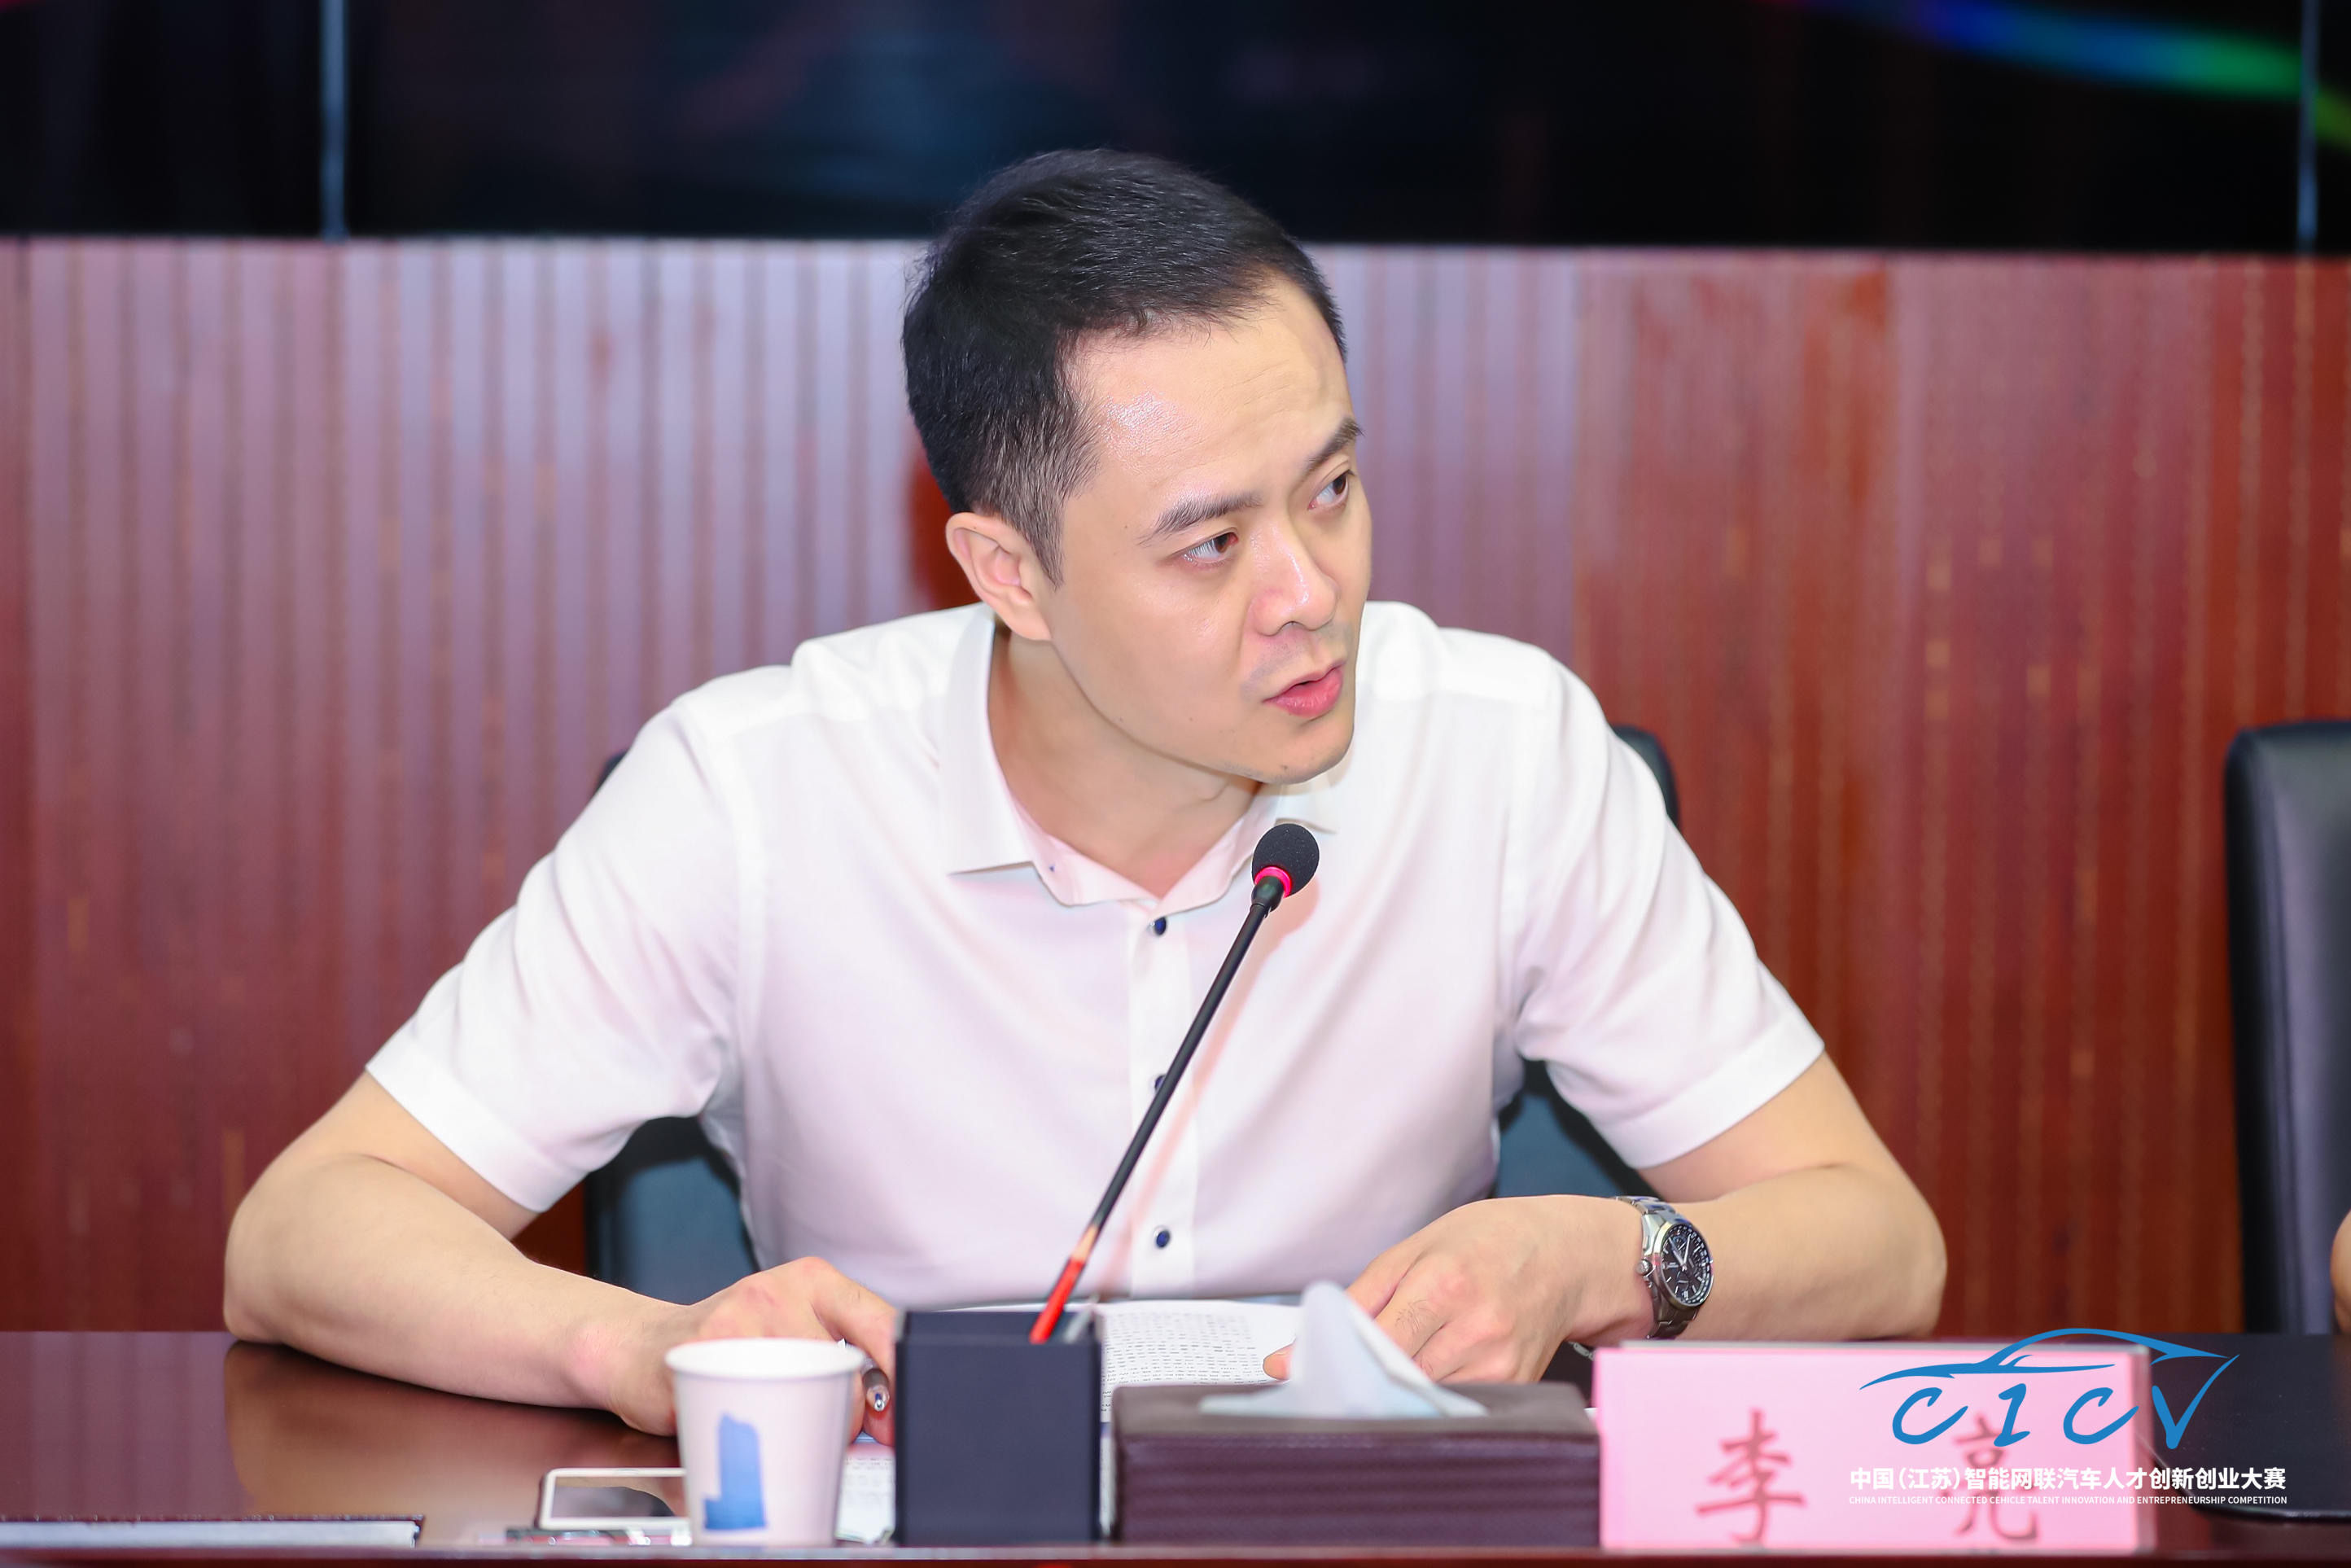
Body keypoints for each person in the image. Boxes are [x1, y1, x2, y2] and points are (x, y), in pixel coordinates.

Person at [224, 151, 1946, 1438]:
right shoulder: (757, 791)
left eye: (1331, 489)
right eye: (1210, 542)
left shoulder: (1503, 754)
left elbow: (1882, 1245)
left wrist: (1611, 1258)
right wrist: (636, 1344)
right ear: (1008, 572)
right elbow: (302, 1233)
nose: (1311, 593)